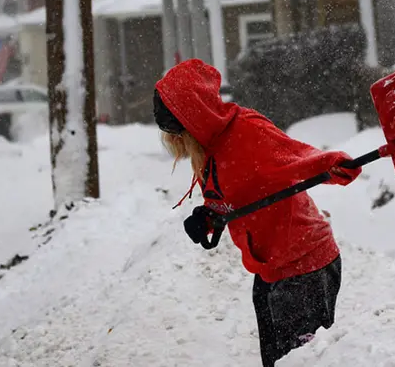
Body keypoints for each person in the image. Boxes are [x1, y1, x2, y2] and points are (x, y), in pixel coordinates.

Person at [154, 59, 362, 366]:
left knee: (303, 361)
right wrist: (210, 216)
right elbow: (239, 193)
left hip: (305, 267)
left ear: (193, 120)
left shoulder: (248, 133)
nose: (173, 141)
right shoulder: (209, 150)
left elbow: (300, 156)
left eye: (176, 132)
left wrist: (335, 164)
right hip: (270, 270)